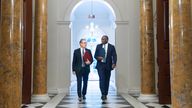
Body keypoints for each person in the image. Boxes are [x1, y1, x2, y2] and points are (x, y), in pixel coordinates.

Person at [94, 35, 117, 100]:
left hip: (108, 66)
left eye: (104, 39)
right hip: (100, 66)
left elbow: (114, 56)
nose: (102, 40)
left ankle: (106, 93)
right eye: (102, 39)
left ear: (107, 40)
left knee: (107, 80)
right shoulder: (98, 46)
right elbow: (95, 55)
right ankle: (103, 94)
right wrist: (98, 57)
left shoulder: (111, 47)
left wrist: (114, 63)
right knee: (102, 79)